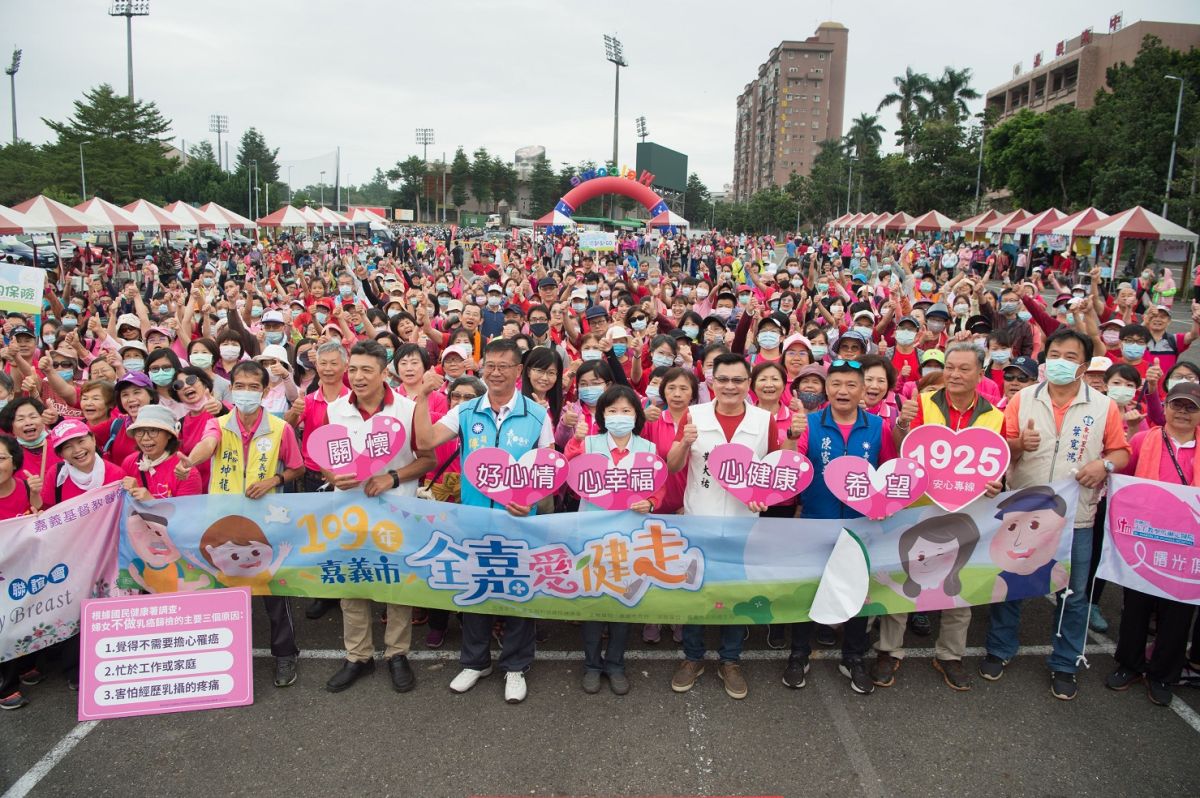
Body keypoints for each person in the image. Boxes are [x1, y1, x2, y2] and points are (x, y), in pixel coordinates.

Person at [985, 328, 1131, 700]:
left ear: (1083, 366)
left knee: (1074, 593)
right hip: (1024, 509)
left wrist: (1104, 466)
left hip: (1077, 516)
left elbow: (1121, 452)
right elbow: (1004, 451)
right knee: (1011, 582)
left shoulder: (1103, 406)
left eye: (1070, 357)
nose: (1060, 362)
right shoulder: (1023, 400)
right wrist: (1019, 444)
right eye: (1055, 355)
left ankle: (1065, 662)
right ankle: (1000, 649)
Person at [414, 338, 554, 704]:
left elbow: (549, 466)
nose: (494, 372)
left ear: (518, 371)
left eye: (503, 366)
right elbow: (426, 439)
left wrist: (530, 499)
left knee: (517, 594)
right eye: (489, 365)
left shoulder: (537, 414)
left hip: (519, 523)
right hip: (473, 522)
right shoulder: (465, 412)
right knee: (475, 591)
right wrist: (420, 397)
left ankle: (515, 667)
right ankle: (475, 662)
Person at [667, 352, 801, 700]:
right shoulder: (693, 416)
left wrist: (766, 495)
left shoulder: (761, 420)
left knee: (734, 591)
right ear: (711, 381)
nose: (729, 386)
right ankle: (693, 657)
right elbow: (672, 465)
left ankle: (730, 660)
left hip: (744, 522)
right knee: (697, 590)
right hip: (700, 521)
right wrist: (684, 442)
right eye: (722, 379)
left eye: (738, 380)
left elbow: (774, 468)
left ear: (748, 384)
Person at [876, 343, 1005, 692]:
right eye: (950, 367)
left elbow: (997, 463)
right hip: (918, 506)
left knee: (960, 581)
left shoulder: (994, 415)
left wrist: (997, 484)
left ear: (981, 373)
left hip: (967, 510)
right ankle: (889, 650)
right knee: (903, 575)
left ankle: (950, 655)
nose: (955, 374)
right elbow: (904, 446)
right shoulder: (923, 403)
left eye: (964, 368)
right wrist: (902, 423)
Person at [323, 341, 435, 695]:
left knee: (396, 583)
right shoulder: (335, 409)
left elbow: (427, 458)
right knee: (351, 583)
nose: (357, 377)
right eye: (352, 369)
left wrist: (392, 477)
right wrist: (332, 477)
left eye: (366, 370)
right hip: (350, 512)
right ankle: (357, 656)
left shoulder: (407, 408)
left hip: (395, 511)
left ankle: (397, 653)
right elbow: (328, 461)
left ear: (384, 373)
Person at [790, 358, 898, 695]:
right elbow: (792, 467)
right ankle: (798, 654)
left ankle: (852, 656)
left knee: (858, 592)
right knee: (807, 589)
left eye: (852, 385)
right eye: (836, 383)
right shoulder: (809, 423)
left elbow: (891, 473)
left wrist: (883, 507)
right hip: (816, 520)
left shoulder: (878, 427)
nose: (843, 391)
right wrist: (791, 438)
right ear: (826, 388)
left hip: (862, 525)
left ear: (864, 390)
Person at [198, 360, 306, 689]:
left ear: (265, 391)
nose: (246, 393)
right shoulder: (217, 424)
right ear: (231, 389)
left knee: (273, 589)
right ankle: (225, 658)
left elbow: (298, 468)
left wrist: (274, 478)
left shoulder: (279, 428)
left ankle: (285, 654)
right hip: (223, 522)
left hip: (264, 522)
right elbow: (207, 446)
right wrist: (190, 459)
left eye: (253, 387)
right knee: (227, 590)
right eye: (240, 386)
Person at [564, 384, 663, 695]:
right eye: (612, 411)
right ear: (602, 416)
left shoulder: (646, 449)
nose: (619, 416)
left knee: (624, 599)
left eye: (626, 411)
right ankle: (592, 664)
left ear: (636, 416)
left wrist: (650, 503)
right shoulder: (590, 444)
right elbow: (569, 468)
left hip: (631, 537)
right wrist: (576, 439)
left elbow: (658, 487)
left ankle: (616, 663)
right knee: (594, 602)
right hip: (593, 536)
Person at [1106, 381, 1200, 707]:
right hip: (1145, 539)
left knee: (1179, 613)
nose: (1183, 412)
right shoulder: (1145, 438)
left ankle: (1163, 673)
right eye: (1178, 405)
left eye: (1191, 407)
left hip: (1189, 547)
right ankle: (1129, 663)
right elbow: (1123, 478)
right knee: (1136, 605)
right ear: (1167, 407)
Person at [120, 404, 203, 499]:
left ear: (169, 435)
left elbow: (188, 513)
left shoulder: (186, 473)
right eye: (139, 431)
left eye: (153, 431)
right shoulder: (130, 462)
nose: (145, 438)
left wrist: (151, 502)